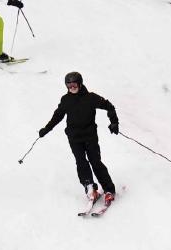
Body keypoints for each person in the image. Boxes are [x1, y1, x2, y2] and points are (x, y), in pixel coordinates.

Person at [38, 71, 119, 205]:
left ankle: (109, 189)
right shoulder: (66, 100)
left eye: (74, 84)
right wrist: (46, 129)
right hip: (74, 138)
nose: (72, 88)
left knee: (95, 162)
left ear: (80, 84)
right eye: (69, 85)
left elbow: (109, 106)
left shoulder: (91, 98)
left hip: (90, 136)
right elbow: (57, 116)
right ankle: (90, 188)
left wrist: (114, 122)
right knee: (81, 162)